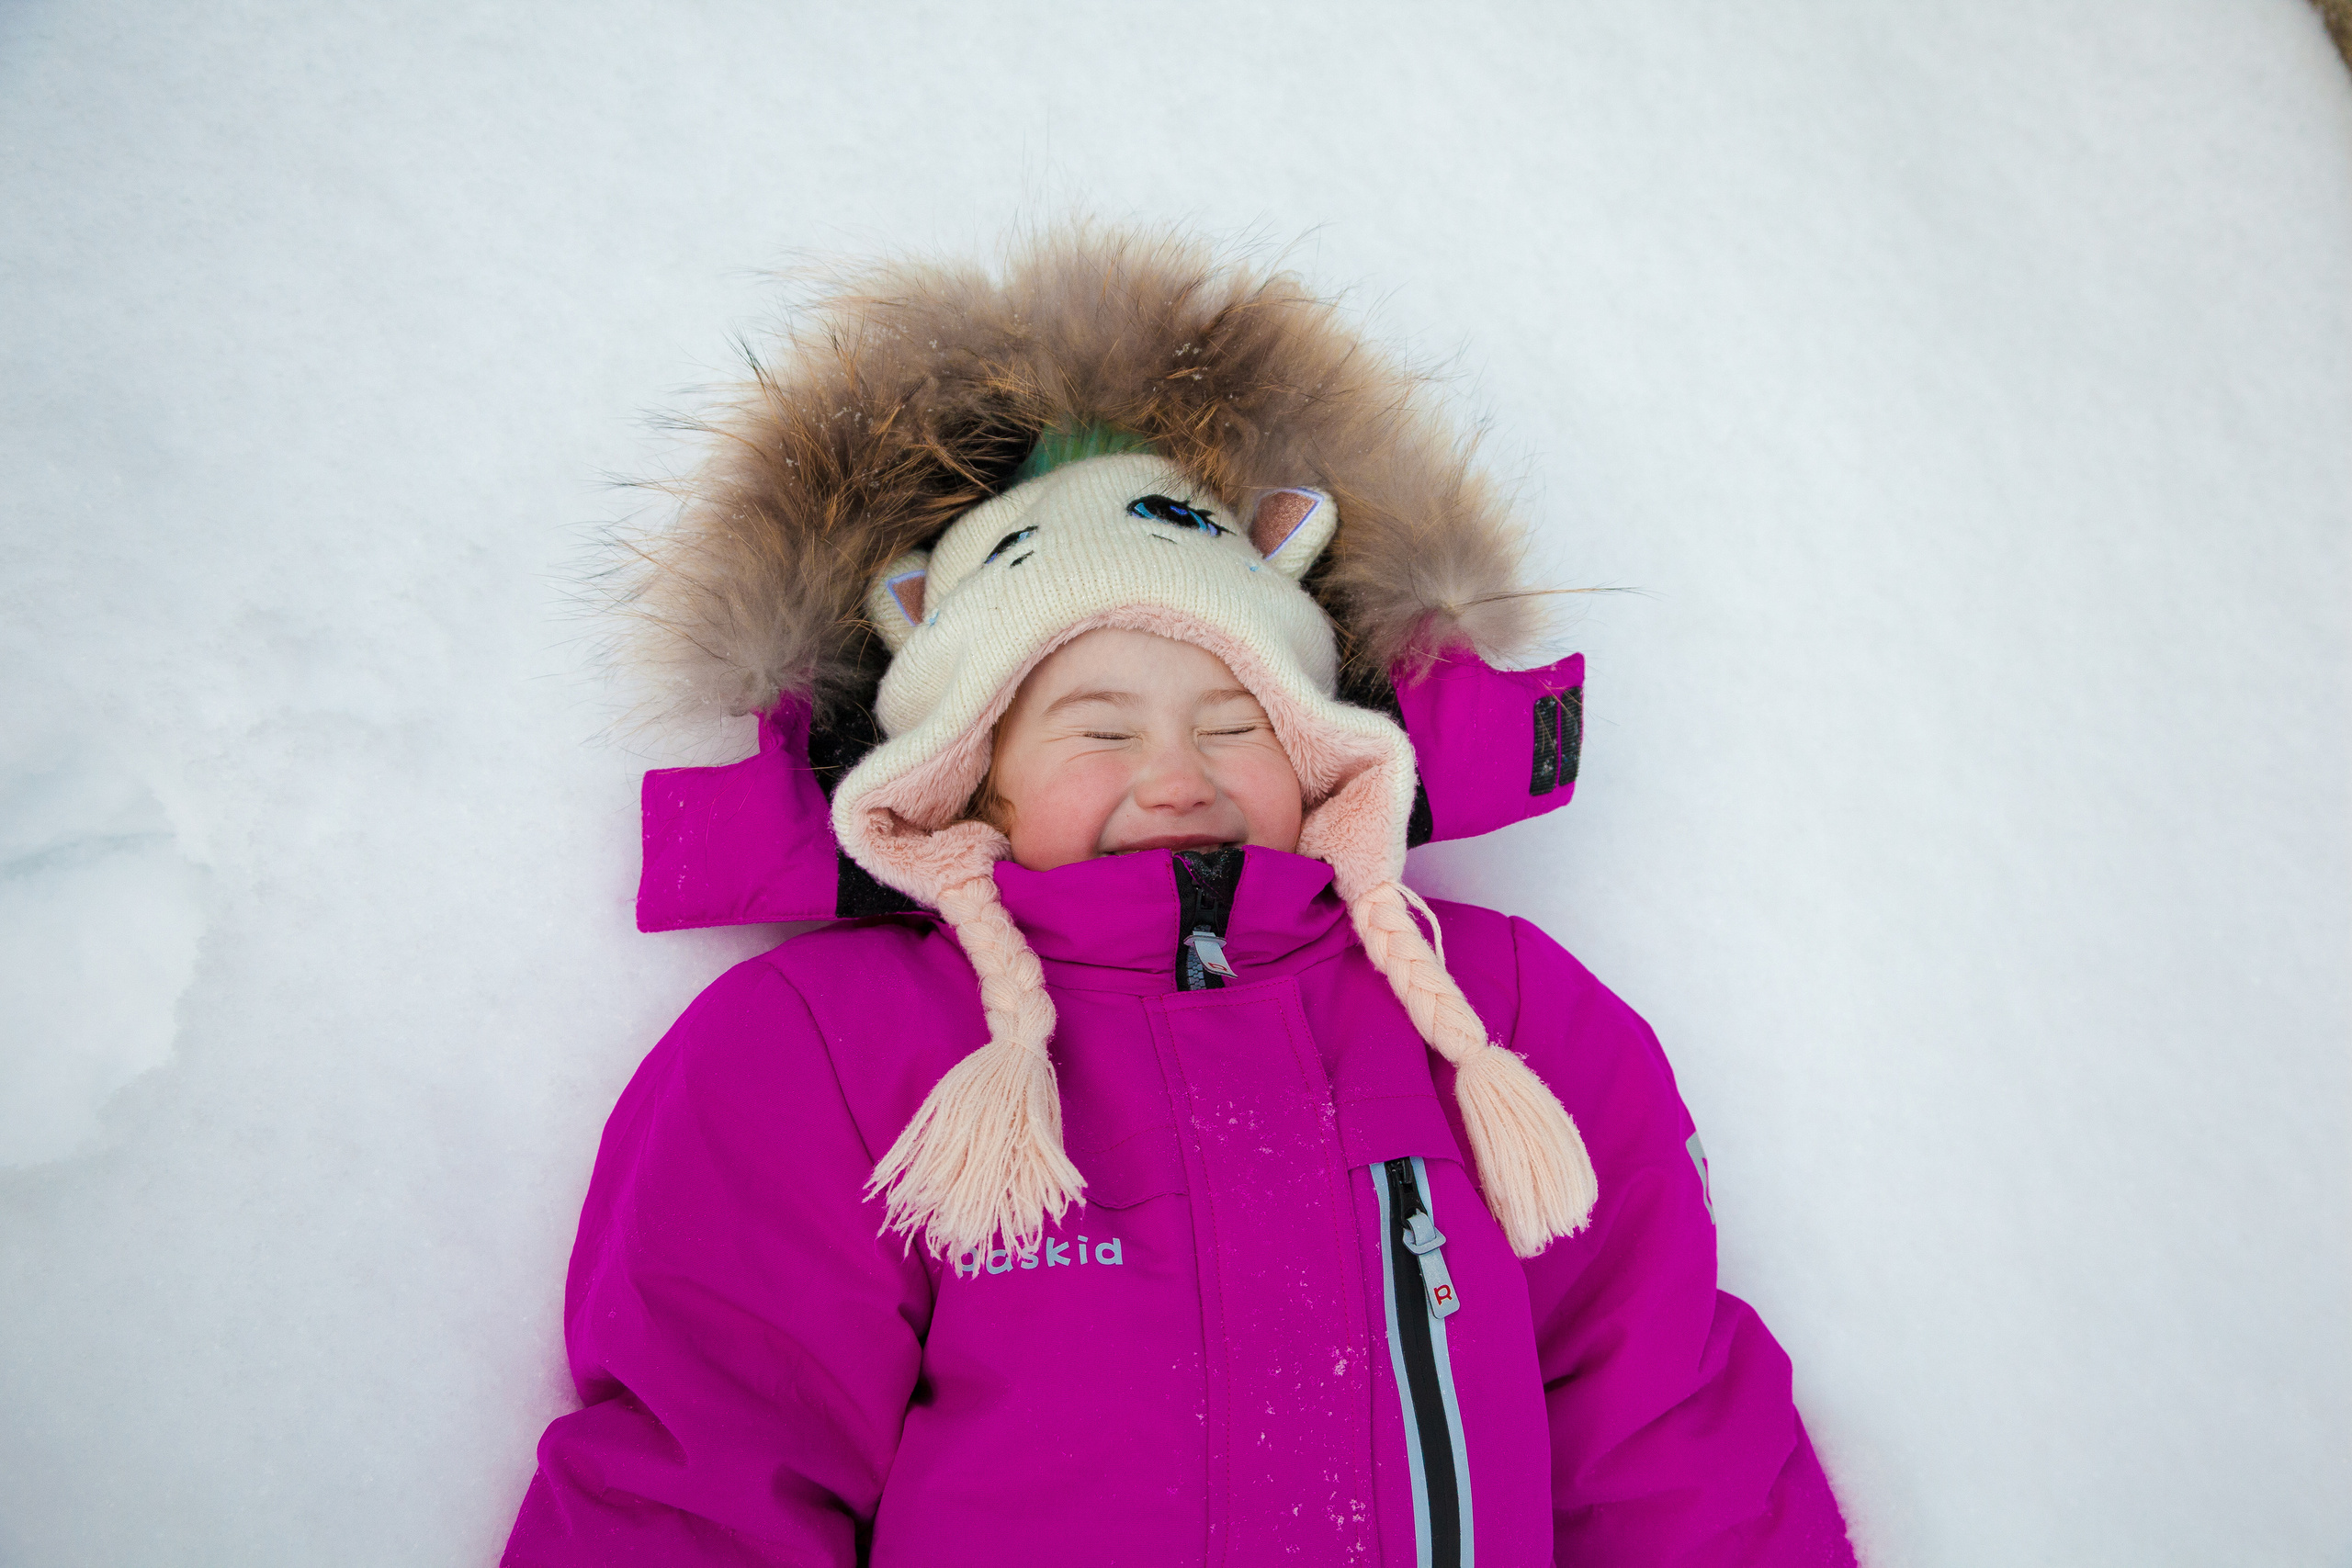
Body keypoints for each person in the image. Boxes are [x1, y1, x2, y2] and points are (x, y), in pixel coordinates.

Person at [503, 230, 1857, 1566]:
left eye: (1234, 725)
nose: (1174, 779)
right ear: (966, 782)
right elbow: (710, 1466)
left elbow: (1661, 1432)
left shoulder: (1495, 1019)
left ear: (1328, 752)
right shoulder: (822, 1051)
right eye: (1098, 731)